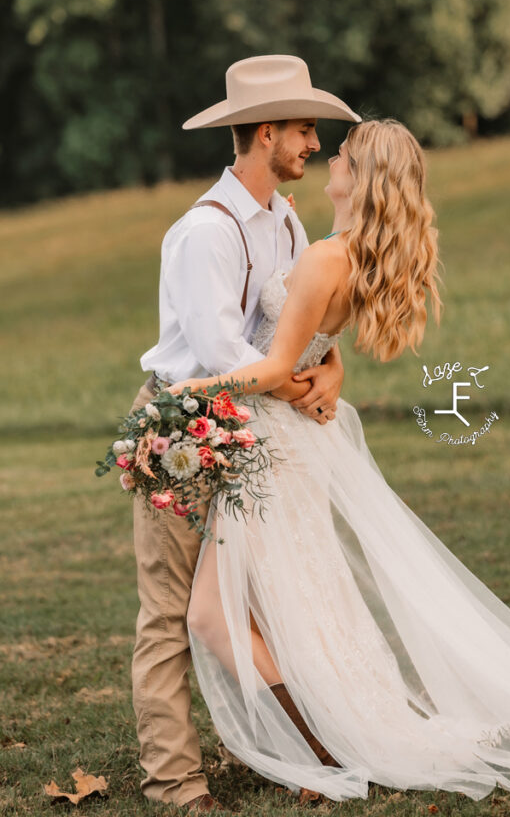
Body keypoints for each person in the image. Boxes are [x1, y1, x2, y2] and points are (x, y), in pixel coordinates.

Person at [168, 117, 510, 805]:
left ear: (361, 177)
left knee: (215, 615)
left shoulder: (326, 257)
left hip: (272, 444)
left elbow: (274, 367)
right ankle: (335, 729)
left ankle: (328, 740)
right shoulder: (340, 252)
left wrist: (187, 394)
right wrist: (329, 371)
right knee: (299, 602)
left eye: (343, 153)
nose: (328, 154)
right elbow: (314, 346)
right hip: (285, 443)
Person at [130, 54, 361, 813]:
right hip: (182, 425)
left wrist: (331, 375)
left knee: (254, 599)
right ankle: (176, 785)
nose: (314, 146)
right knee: (171, 612)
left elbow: (300, 332)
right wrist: (298, 383)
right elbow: (227, 356)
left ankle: (288, 744)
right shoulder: (205, 232)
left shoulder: (286, 221)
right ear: (264, 134)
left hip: (253, 417)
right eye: (302, 130)